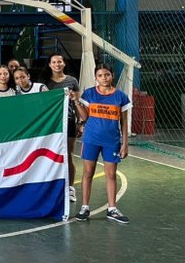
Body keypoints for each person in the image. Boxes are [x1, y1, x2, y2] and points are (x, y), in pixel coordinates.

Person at [73, 64, 131, 224]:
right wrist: (77, 102)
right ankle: (84, 207)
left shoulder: (121, 97)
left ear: (112, 75)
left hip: (111, 142)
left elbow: (124, 123)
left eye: (106, 74)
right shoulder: (89, 93)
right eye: (100, 75)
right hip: (91, 139)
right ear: (95, 77)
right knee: (87, 173)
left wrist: (125, 144)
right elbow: (85, 117)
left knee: (111, 175)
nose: (104, 78)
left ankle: (112, 209)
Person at [45, 54, 81, 203]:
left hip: (69, 121)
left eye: (59, 61)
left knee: (68, 154)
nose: (57, 64)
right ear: (50, 65)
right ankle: (52, 188)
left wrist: (81, 123)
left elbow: (77, 102)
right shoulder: (45, 82)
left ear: (64, 63)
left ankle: (70, 188)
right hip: (51, 123)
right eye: (54, 62)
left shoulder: (72, 81)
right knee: (50, 156)